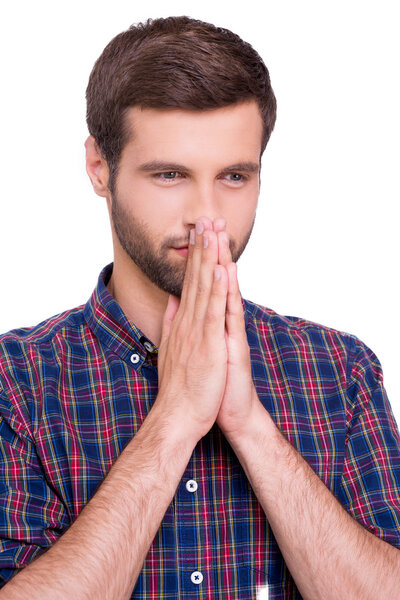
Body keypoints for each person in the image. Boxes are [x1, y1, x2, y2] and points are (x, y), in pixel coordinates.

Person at [0, 15, 399, 600]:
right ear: (99, 168)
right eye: (170, 175)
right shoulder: (17, 379)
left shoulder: (340, 370)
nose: (206, 216)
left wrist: (250, 425)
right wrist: (176, 417)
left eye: (234, 176)